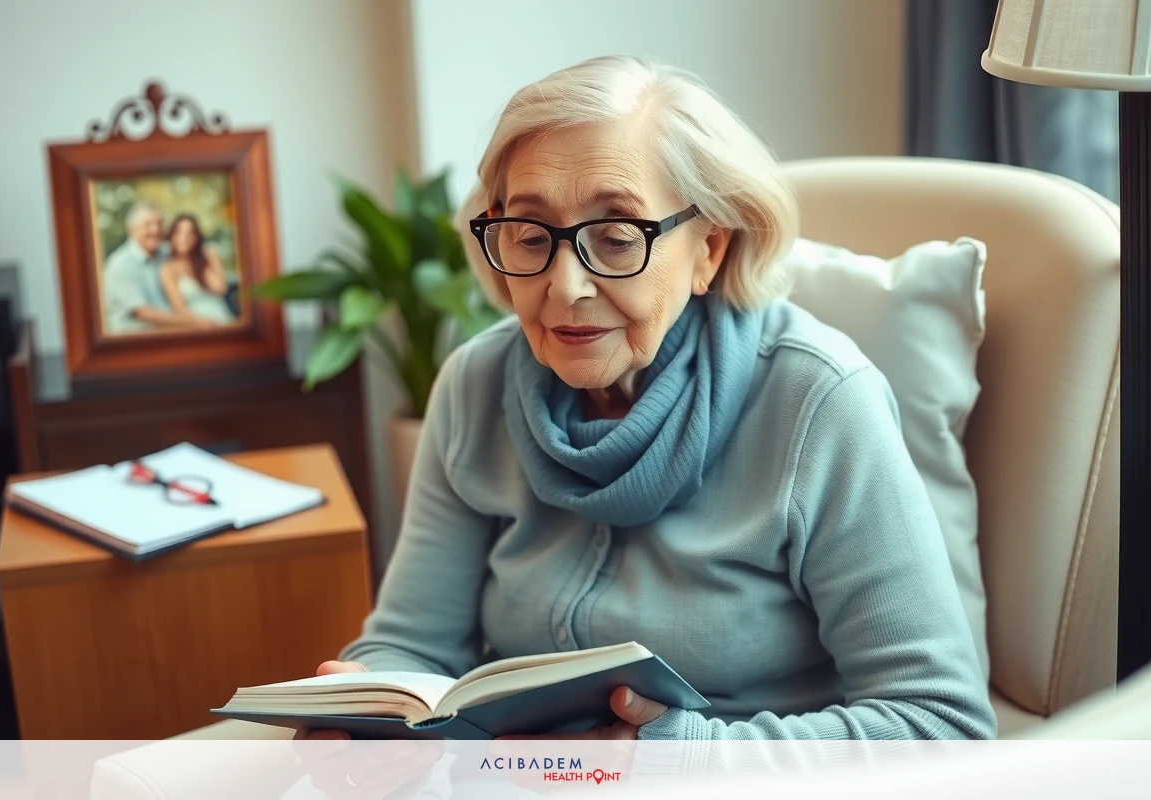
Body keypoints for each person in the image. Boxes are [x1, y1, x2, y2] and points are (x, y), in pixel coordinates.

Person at [294, 54, 995, 796]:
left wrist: (680, 757)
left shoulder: (817, 401)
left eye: (619, 236)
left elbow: (937, 725)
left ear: (709, 249)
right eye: (530, 237)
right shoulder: (475, 384)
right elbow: (414, 640)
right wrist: (371, 709)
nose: (564, 288)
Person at [102, 202, 213, 333]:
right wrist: (194, 321)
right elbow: (143, 313)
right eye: (148, 225)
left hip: (170, 331)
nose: (155, 230)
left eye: (159, 223)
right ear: (132, 230)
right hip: (133, 339)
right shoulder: (121, 264)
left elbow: (194, 253)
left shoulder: (166, 253)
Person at [159, 214, 235, 327]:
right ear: (172, 236)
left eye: (190, 233)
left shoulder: (208, 255)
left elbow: (220, 288)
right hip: (196, 327)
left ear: (196, 237)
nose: (184, 238)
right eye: (179, 232)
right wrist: (204, 323)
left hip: (223, 319)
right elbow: (180, 310)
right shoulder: (167, 269)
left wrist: (197, 261)